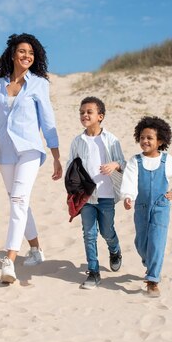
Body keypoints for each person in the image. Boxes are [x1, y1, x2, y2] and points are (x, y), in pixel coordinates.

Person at [0, 33, 62, 284]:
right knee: (17, 201)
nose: (27, 56)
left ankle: (9, 260)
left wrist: (56, 156)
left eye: (31, 53)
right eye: (23, 52)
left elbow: (48, 122)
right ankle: (35, 249)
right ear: (13, 54)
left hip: (30, 149)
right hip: (5, 151)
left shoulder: (39, 84)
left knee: (19, 200)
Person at [120, 116, 172, 297]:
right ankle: (149, 261)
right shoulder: (135, 161)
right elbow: (130, 180)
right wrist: (128, 196)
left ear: (160, 141)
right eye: (142, 137)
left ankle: (153, 280)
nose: (145, 141)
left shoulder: (167, 160)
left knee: (157, 242)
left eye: (150, 138)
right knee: (141, 243)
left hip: (161, 206)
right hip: (140, 206)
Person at [66, 96, 126, 289]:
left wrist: (115, 164)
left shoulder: (111, 140)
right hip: (86, 197)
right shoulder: (78, 141)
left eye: (89, 112)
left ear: (100, 116)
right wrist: (74, 187)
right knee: (89, 234)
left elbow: (123, 163)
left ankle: (114, 249)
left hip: (107, 195)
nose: (84, 115)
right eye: (82, 112)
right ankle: (93, 272)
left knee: (107, 231)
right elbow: (70, 166)